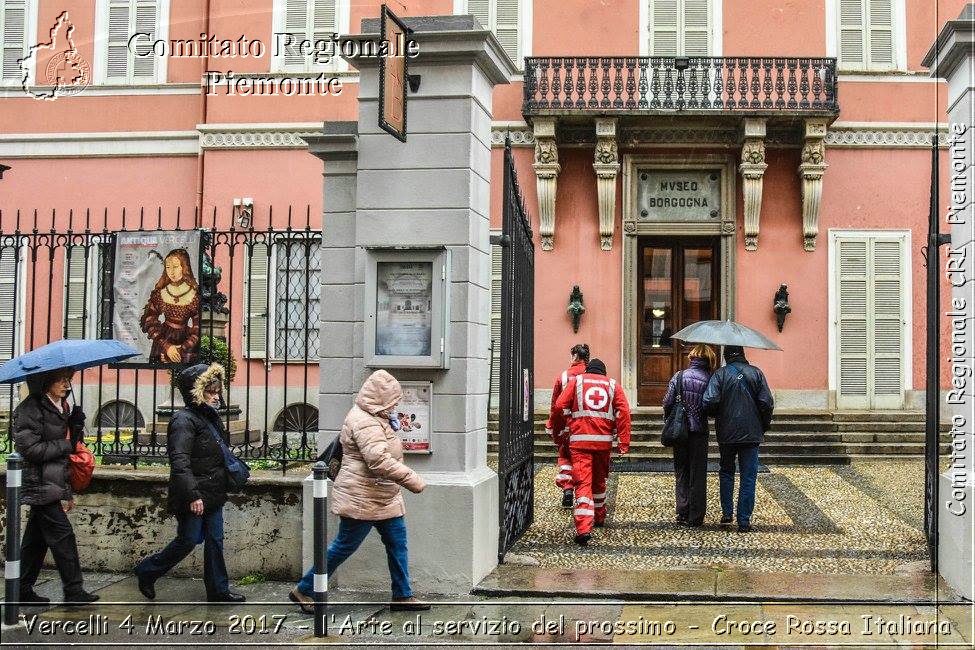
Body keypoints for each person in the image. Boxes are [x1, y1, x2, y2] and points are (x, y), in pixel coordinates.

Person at [290, 370, 429, 613]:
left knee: (397, 544)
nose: (397, 405)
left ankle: (402, 596)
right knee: (344, 546)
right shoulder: (365, 421)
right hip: (362, 496)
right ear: (380, 399)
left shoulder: (377, 417)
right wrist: (412, 479)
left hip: (383, 495)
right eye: (394, 401)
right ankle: (304, 589)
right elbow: (378, 461)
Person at [134, 363, 244, 603]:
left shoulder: (209, 417)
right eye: (210, 392)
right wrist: (193, 495)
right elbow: (179, 462)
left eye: (217, 392)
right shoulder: (183, 421)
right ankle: (147, 570)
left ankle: (218, 590)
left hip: (213, 491)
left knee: (215, 540)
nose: (216, 397)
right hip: (193, 493)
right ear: (196, 393)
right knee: (189, 540)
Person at [13, 368, 99, 605]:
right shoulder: (30, 409)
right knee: (64, 537)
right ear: (45, 382)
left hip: (52, 484)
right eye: (60, 380)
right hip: (38, 484)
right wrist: (67, 443)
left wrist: (75, 427)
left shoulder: (62, 407)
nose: (66, 384)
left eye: (68, 379)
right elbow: (30, 450)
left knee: (36, 541)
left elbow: (65, 457)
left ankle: (21, 589)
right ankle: (73, 591)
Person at [550, 358, 631, 546]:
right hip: (603, 444)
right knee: (599, 480)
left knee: (583, 483)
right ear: (603, 372)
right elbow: (624, 412)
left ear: (588, 370)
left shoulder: (576, 382)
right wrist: (623, 442)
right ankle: (600, 516)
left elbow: (560, 405)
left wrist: (562, 427)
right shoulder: (613, 385)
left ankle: (584, 529)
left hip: (580, 443)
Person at [702, 345, 774, 533]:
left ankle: (727, 513)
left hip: (726, 433)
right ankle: (744, 520)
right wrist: (763, 425)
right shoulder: (756, 373)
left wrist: (718, 413)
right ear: (743, 354)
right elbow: (766, 402)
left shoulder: (720, 375)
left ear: (726, 356)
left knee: (726, 471)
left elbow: (709, 401)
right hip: (751, 433)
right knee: (748, 476)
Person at [662, 344, 717, 527]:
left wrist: (670, 420)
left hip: (681, 431)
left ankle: (682, 512)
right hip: (699, 431)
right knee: (698, 473)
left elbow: (668, 402)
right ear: (708, 359)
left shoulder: (679, 376)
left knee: (682, 471)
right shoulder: (711, 379)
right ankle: (696, 516)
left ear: (692, 358)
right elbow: (712, 405)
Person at [544, 343, 590, 509]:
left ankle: (568, 488)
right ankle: (585, 495)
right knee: (585, 460)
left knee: (565, 456)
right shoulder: (592, 375)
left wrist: (552, 426)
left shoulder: (563, 377)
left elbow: (555, 405)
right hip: (588, 426)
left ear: (575, 357)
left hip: (567, 426)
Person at [140, 248, 200, 365]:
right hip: (162, 340)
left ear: (184, 267)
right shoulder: (160, 293)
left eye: (176, 267)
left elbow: (198, 329)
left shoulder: (194, 295)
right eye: (168, 267)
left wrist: (181, 348)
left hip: (185, 342)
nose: (171, 272)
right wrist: (166, 346)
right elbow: (149, 321)